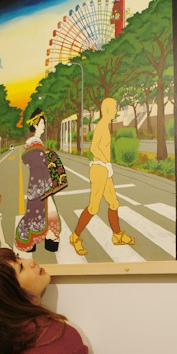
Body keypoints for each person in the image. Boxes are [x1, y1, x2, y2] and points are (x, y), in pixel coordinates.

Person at [70, 97, 134, 256]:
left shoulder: (105, 125)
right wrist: (106, 163)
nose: (116, 110)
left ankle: (117, 235)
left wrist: (107, 165)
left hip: (104, 168)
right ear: (107, 110)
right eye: (114, 107)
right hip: (99, 169)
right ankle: (75, 237)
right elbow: (94, 148)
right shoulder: (101, 126)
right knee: (94, 207)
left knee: (113, 202)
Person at [15, 108, 68, 253]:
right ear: (35, 125)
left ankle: (43, 242)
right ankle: (46, 242)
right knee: (42, 216)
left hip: (38, 188)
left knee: (38, 216)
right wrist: (48, 185)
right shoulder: (36, 147)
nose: (44, 126)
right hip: (41, 189)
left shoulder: (35, 146)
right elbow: (39, 171)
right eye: (42, 124)